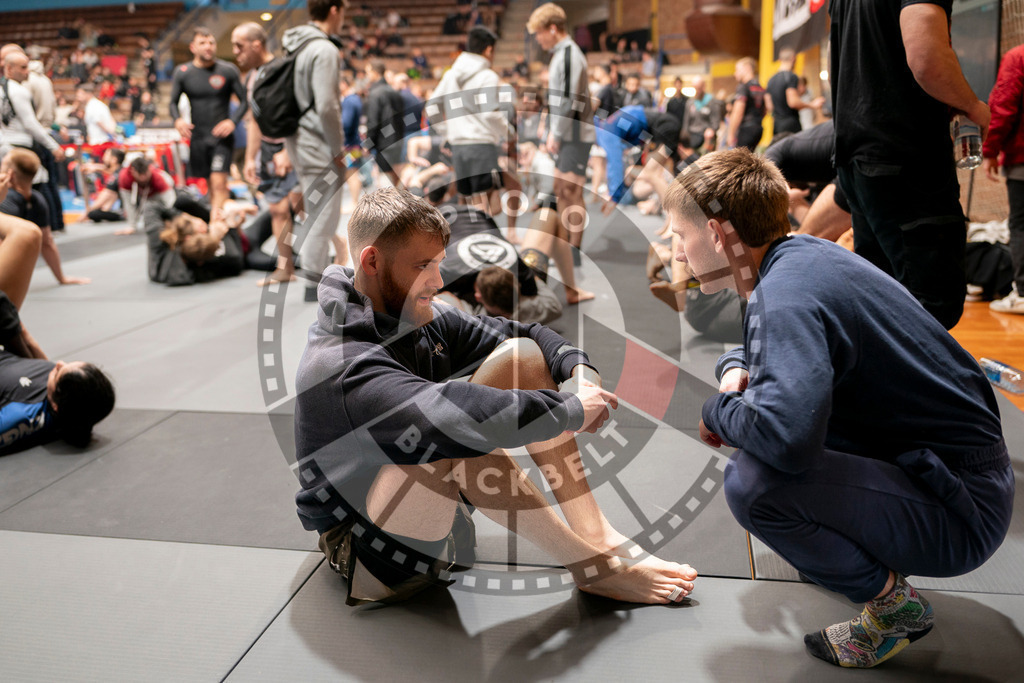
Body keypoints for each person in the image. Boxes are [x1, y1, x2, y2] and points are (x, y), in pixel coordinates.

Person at [667, 148, 1013, 669]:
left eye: (679, 236)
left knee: (754, 482)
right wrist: (736, 368)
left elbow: (785, 436)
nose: (675, 252)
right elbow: (763, 344)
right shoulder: (800, 256)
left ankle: (896, 610)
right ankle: (866, 549)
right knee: (780, 424)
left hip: (965, 511)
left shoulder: (784, 295)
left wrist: (718, 410)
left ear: (717, 235)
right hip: (958, 471)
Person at [294, 187, 698, 606]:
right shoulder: (340, 362)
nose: (438, 280)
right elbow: (448, 417)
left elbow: (525, 334)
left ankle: (596, 532)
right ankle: (592, 568)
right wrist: (572, 409)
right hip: (373, 552)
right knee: (452, 425)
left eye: (438, 264)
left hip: (442, 519)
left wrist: (579, 372)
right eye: (422, 266)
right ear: (373, 262)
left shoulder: (414, 312)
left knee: (520, 359)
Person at [830, 0, 989, 330]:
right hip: (903, 159)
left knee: (880, 300)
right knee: (932, 306)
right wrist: (972, 105)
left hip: (858, 157)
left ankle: (877, 381)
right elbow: (926, 58)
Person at [527, 2, 595, 303]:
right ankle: (568, 250)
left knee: (569, 191)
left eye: (539, 34)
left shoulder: (568, 54)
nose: (538, 40)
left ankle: (574, 253)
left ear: (552, 28)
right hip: (568, 134)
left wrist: (555, 133)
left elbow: (567, 100)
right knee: (562, 190)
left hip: (575, 135)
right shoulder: (561, 55)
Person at [281, 0, 347, 303]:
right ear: (334, 10)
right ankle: (315, 282)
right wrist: (338, 148)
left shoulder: (295, 45)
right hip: (318, 142)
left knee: (315, 209)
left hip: (297, 140)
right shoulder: (324, 49)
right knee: (323, 215)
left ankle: (313, 276)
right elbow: (327, 106)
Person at [429, 26, 517, 239]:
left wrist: (448, 132)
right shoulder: (487, 75)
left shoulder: (451, 74)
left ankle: (464, 245)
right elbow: (490, 114)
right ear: (488, 50)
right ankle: (485, 246)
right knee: (484, 204)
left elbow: (431, 107)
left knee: (465, 200)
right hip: (481, 145)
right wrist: (510, 133)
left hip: (459, 146)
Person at [234, 21, 301, 287]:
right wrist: (251, 157)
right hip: (267, 149)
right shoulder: (252, 77)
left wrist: (287, 149)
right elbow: (255, 121)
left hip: (293, 145)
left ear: (256, 44)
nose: (236, 53)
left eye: (240, 47)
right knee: (276, 209)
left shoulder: (282, 70)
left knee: (301, 205)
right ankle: (285, 268)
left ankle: (340, 251)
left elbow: (297, 113)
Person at [169, 27, 248, 212]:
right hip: (198, 138)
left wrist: (232, 121)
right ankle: (219, 221)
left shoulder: (228, 70)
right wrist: (178, 120)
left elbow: (245, 101)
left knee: (220, 182)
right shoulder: (183, 72)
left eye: (211, 42)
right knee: (210, 185)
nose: (208, 47)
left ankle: (216, 226)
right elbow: (172, 103)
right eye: (202, 43)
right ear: (192, 47)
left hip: (221, 138)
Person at [1, 49, 67, 234]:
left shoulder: (8, 89)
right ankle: (49, 227)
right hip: (22, 146)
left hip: (13, 146)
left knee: (26, 187)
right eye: (22, 68)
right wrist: (53, 146)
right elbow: (31, 124)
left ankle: (45, 228)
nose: (26, 71)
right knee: (39, 186)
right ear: (9, 68)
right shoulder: (18, 90)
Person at [0, 148, 88, 286]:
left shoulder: (23, 200)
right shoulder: (36, 198)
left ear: (10, 173)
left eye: (3, 164)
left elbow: (46, 242)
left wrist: (62, 278)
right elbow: (47, 242)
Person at [982, 44, 1024, 314]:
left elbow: (1004, 105)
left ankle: (1022, 293)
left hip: (1022, 159)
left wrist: (989, 150)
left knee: (1021, 225)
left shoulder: (1018, 57)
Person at [764, 49, 823, 142]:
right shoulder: (791, 77)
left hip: (777, 124)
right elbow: (793, 102)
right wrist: (813, 105)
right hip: (790, 124)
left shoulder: (771, 80)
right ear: (793, 59)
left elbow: (769, 106)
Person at [364, 59, 407, 185]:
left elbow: (373, 122)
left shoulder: (375, 93)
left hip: (383, 143)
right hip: (397, 140)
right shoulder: (394, 91)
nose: (367, 76)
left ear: (375, 73)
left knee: (385, 182)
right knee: (396, 178)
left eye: (368, 72)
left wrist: (368, 144)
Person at [115, 157, 177, 235]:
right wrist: (132, 226)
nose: (143, 178)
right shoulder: (124, 177)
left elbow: (171, 201)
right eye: (140, 175)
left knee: (163, 207)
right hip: (141, 192)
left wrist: (176, 222)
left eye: (145, 174)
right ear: (133, 171)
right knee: (147, 208)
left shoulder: (157, 176)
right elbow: (128, 203)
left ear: (149, 169)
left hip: (160, 189)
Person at [726, 57, 765, 151]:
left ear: (747, 68)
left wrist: (731, 134)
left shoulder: (743, 87)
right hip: (758, 129)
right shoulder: (760, 87)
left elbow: (738, 112)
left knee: (739, 162)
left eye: (737, 70)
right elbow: (765, 110)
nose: (735, 74)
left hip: (746, 129)